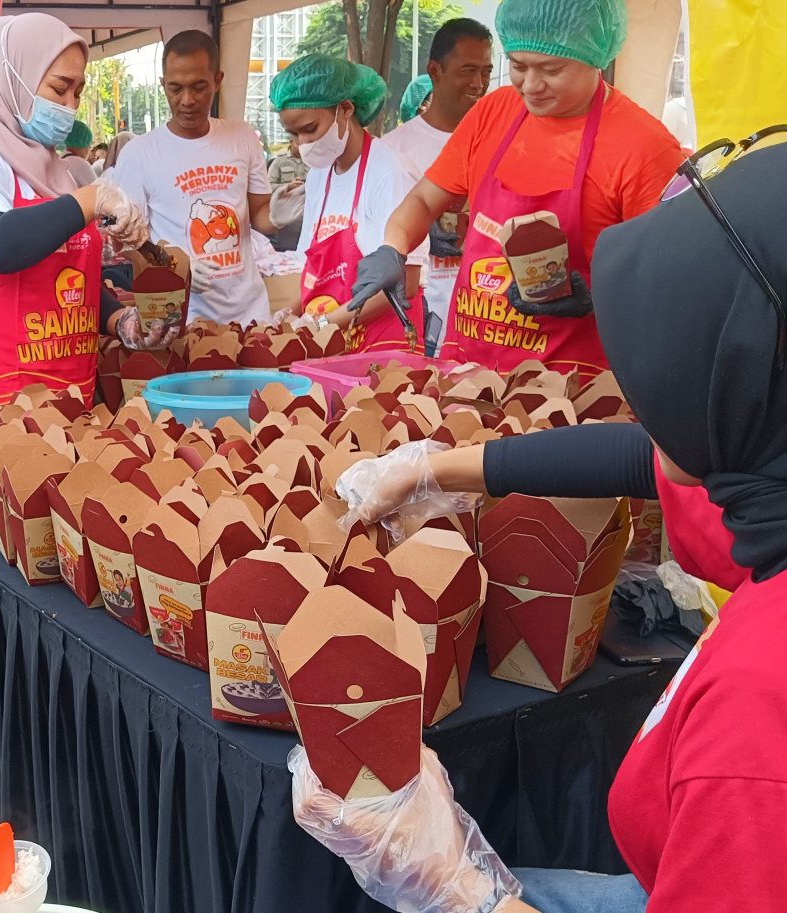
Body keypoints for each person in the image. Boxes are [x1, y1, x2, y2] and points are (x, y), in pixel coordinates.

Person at [300, 139, 787, 913]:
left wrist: (455, 886)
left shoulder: (760, 719)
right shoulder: (769, 481)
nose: (644, 406)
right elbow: (639, 459)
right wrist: (437, 468)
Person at [350, 0, 684, 375]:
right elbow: (426, 198)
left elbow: (669, 283)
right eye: (518, 66)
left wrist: (599, 299)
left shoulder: (644, 148)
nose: (531, 84)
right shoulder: (493, 113)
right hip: (467, 375)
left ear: (597, 56)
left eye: (551, 69)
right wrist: (393, 247)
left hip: (572, 389)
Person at [0, 13, 153, 406]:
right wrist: (90, 200)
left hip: (70, 401)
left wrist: (119, 320)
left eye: (78, 92)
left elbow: (65, 283)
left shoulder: (56, 172)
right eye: (59, 88)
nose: (71, 106)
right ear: (12, 80)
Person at [114, 29, 284, 326]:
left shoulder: (241, 137)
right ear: (163, 85)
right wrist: (176, 265)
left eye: (199, 87)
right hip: (182, 316)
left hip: (250, 313)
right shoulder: (140, 154)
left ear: (218, 81)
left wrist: (282, 212)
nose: (187, 100)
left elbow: (260, 215)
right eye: (175, 88)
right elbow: (127, 243)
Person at [268, 54, 427, 353]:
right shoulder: (319, 176)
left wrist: (325, 324)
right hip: (335, 346)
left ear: (345, 109)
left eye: (310, 129)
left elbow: (406, 282)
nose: (302, 144)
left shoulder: (390, 170)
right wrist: (290, 314)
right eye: (293, 134)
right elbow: (313, 273)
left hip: (384, 347)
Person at [383, 18, 494, 356]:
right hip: (428, 323)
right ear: (435, 70)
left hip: (492, 320)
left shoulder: (503, 141)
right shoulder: (392, 149)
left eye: (487, 71)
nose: (479, 83)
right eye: (468, 70)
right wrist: (419, 232)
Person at [61, 119, 98, 186]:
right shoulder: (81, 164)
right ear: (84, 144)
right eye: (89, 146)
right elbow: (98, 192)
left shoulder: (60, 158)